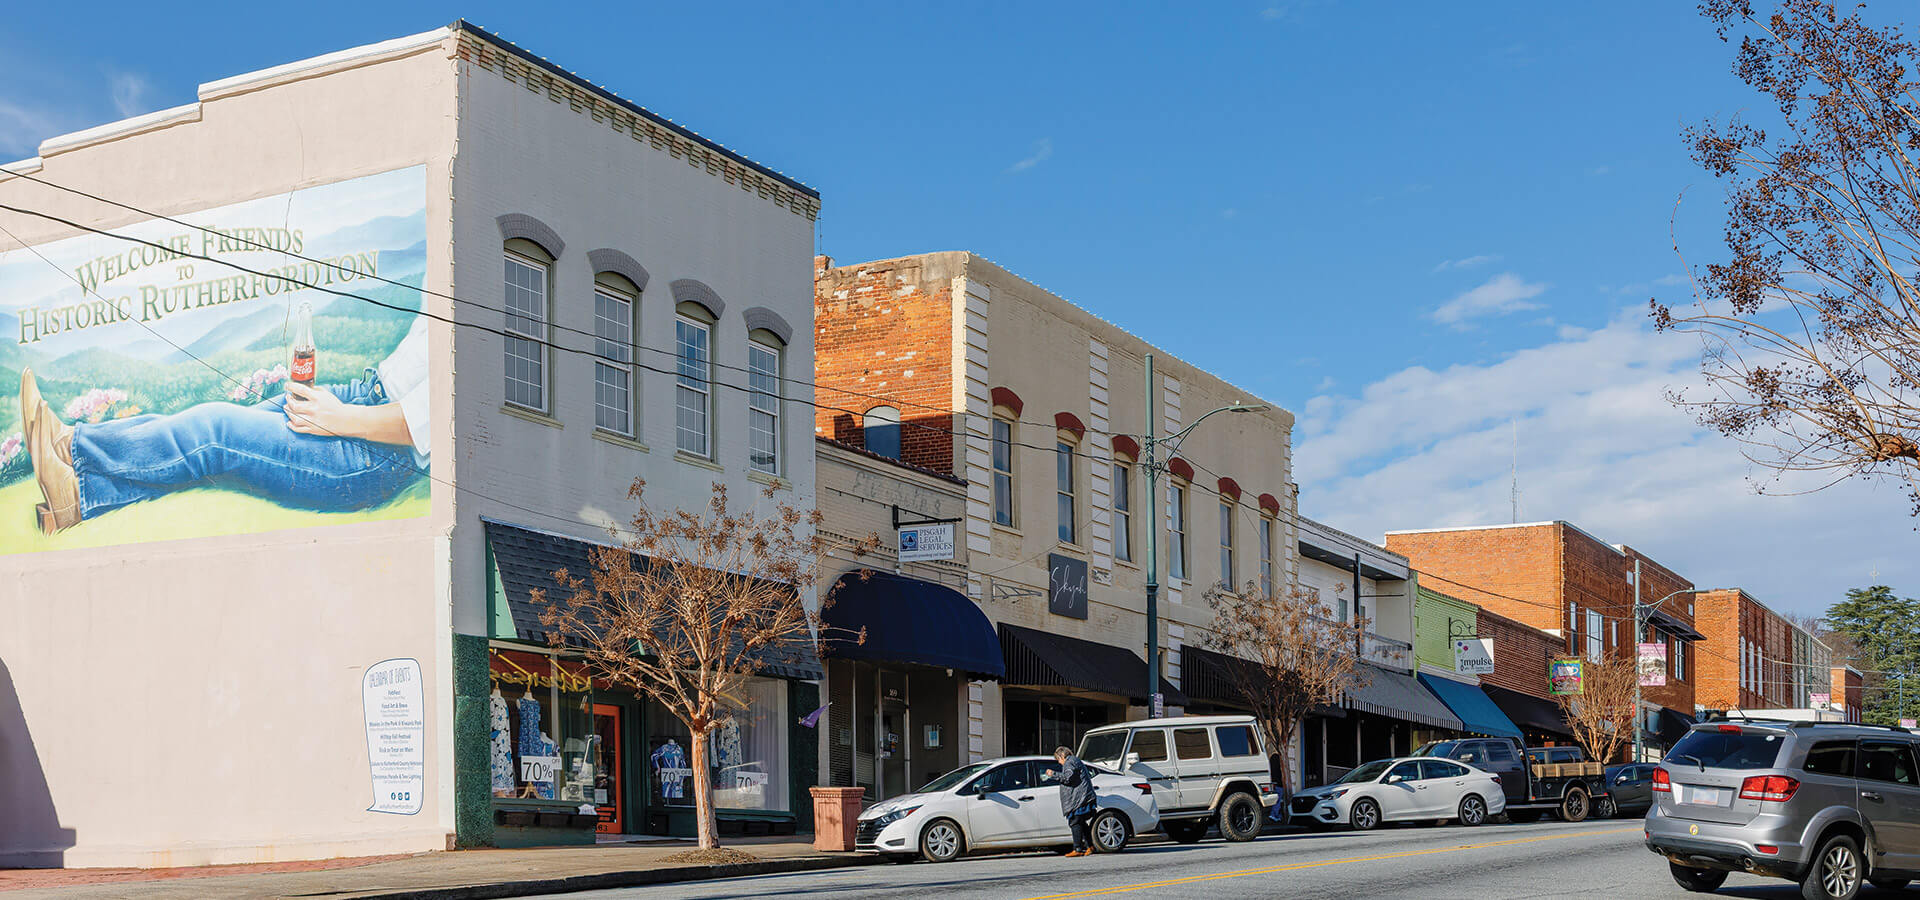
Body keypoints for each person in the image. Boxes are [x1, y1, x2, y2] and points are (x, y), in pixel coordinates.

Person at [18, 316, 430, 534]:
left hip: (378, 449)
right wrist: (344, 404)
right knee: (204, 442)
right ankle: (74, 499)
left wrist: (340, 418)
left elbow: (428, 420)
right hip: (364, 395)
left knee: (214, 431)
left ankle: (72, 446)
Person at [1041, 745, 1099, 858]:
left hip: (1078, 799)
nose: (1059, 762)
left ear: (1062, 756)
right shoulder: (1074, 760)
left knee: (1075, 822)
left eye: (1058, 759)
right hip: (1081, 797)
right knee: (1081, 823)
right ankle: (1090, 846)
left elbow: (1068, 778)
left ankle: (1078, 849)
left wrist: (1053, 774)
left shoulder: (1069, 762)